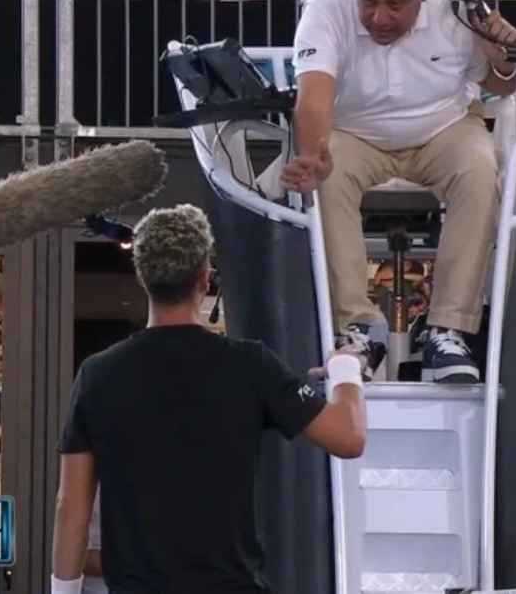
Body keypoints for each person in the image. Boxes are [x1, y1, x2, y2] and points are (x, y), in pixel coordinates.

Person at [52, 205, 367, 594]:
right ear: (204, 279)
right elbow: (349, 437)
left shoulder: (97, 375)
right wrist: (346, 369)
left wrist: (62, 591)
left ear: (143, 277)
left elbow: (72, 507)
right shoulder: (251, 365)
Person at [283, 0, 516, 383]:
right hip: (355, 133)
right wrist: (314, 155)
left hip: (443, 128)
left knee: (479, 168)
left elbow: (503, 84)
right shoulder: (326, 5)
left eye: (395, 4)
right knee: (328, 175)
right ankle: (358, 331)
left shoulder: (460, 5)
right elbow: (314, 96)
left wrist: (506, 59)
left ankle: (447, 329)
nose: (379, 17)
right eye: (368, 1)